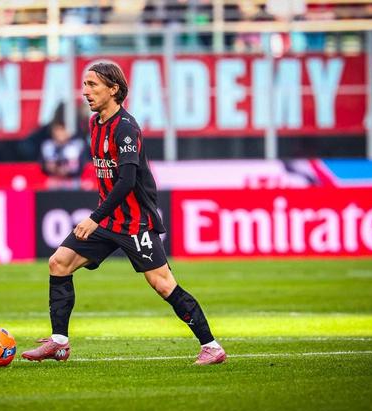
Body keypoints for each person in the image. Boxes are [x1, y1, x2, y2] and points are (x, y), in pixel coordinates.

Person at [22, 62, 226, 366]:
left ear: (113, 89)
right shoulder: (94, 123)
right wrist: (101, 217)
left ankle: (211, 346)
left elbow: (127, 181)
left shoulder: (126, 128)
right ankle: (59, 343)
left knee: (163, 284)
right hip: (109, 220)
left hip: (135, 223)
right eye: (85, 84)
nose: (85, 91)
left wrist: (93, 217)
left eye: (93, 84)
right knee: (59, 262)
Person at [40, 119, 88, 189]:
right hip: (53, 182)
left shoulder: (77, 145)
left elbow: (81, 165)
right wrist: (51, 168)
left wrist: (68, 170)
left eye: (62, 130)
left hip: (73, 182)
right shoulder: (47, 146)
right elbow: (42, 165)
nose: (60, 133)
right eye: (57, 130)